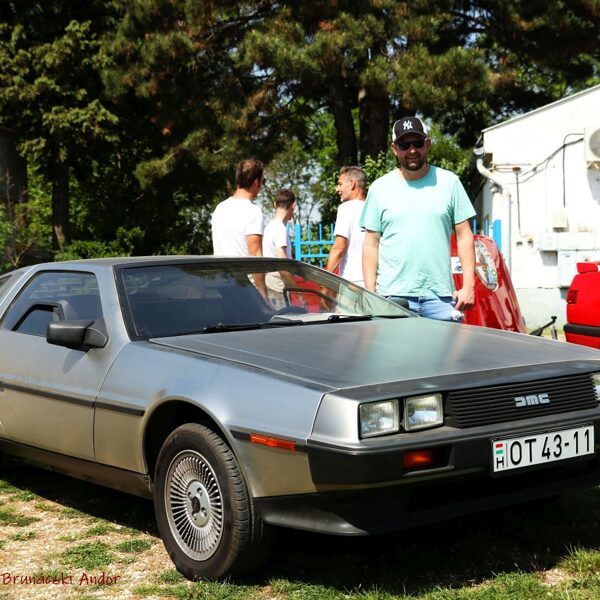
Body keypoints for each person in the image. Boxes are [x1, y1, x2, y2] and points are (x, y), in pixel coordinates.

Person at [360, 116, 476, 321]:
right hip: (392, 298)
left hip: (440, 298)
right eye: (404, 145)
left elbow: (464, 236)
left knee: (448, 345)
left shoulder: (449, 183)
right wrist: (370, 292)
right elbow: (371, 243)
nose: (412, 150)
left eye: (418, 143)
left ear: (428, 144)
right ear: (394, 149)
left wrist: (469, 286)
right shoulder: (379, 188)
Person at [211, 158, 265, 257]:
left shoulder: (220, 208)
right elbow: (255, 256)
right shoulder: (253, 212)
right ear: (256, 182)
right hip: (242, 267)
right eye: (263, 181)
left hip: (220, 267)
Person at [325, 166, 367, 286]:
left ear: (352, 184)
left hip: (352, 283)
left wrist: (325, 283)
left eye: (340, 184)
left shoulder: (346, 208)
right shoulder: (373, 207)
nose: (337, 189)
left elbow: (339, 248)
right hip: (373, 282)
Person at [262, 189, 297, 307]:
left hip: (270, 283)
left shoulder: (269, 227)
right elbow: (282, 263)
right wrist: (297, 292)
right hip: (279, 288)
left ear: (275, 205)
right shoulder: (280, 229)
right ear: (293, 206)